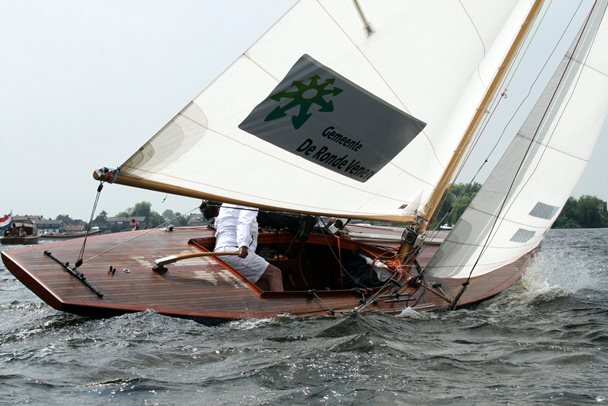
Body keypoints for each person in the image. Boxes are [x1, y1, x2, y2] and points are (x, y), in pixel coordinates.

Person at [213, 203, 283, 291]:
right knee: (274, 273)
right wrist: (243, 245)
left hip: (220, 251)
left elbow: (219, 224)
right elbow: (244, 221)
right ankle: (278, 304)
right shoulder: (248, 201)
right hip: (234, 251)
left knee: (262, 281)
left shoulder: (226, 203)